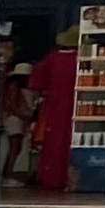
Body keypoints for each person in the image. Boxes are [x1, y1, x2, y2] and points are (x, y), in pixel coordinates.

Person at [29, 27, 80, 194]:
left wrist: (46, 91)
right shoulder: (79, 59)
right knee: (70, 140)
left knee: (53, 141)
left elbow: (36, 80)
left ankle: (50, 176)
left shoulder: (52, 58)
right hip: (75, 103)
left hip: (55, 104)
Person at [1, 58, 35, 184]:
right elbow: (12, 106)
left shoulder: (16, 87)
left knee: (16, 147)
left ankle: (7, 173)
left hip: (17, 119)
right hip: (15, 119)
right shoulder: (15, 87)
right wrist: (25, 116)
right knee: (14, 148)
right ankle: (8, 175)